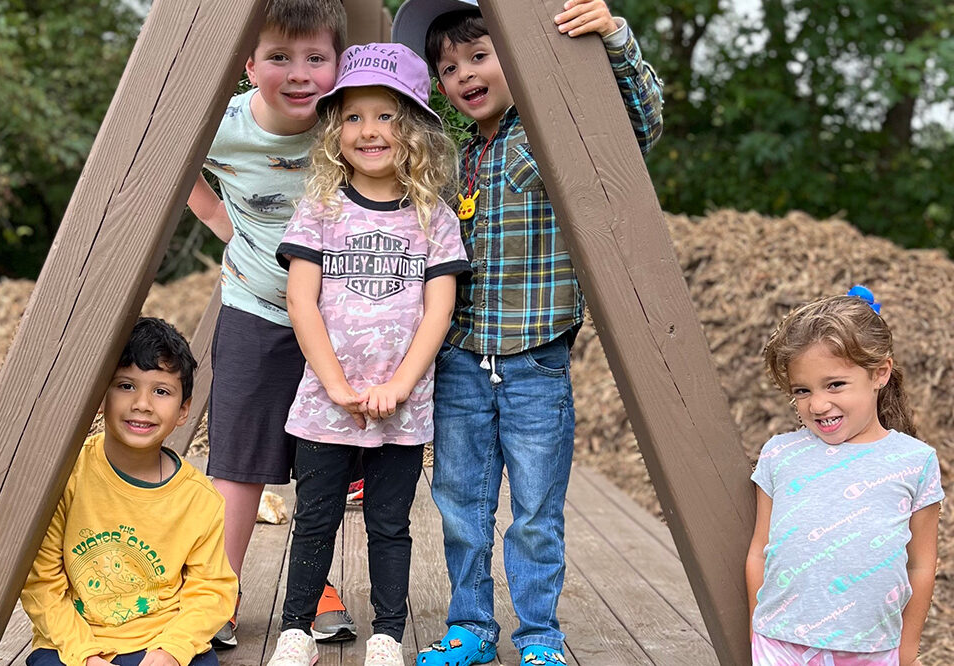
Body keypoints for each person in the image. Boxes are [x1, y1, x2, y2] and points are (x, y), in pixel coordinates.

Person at [390, 1, 664, 664]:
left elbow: (636, 124)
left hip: (535, 358)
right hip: (459, 357)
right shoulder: (453, 157)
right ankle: (471, 627)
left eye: (479, 56)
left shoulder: (546, 134)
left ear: (517, 58)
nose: (464, 74)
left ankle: (539, 636)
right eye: (448, 67)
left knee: (537, 512)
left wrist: (614, 37)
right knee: (461, 504)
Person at [267, 42, 470, 666]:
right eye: (352, 117)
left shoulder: (433, 217)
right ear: (335, 133)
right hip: (327, 402)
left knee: (389, 524)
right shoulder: (321, 210)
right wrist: (332, 384)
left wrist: (401, 385)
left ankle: (386, 632)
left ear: (413, 130)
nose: (369, 130)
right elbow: (302, 302)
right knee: (316, 518)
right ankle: (296, 629)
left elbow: (440, 309)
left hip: (399, 406)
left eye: (386, 115)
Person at [185, 0, 356, 648]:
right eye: (280, 57)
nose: (298, 71)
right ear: (250, 65)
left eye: (315, 57)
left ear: (336, 66)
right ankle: (221, 588)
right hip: (256, 306)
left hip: (335, 317)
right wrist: (218, 221)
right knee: (237, 460)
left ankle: (315, 585)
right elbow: (168, 163)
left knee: (323, 457)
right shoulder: (221, 123)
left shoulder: (346, 124)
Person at [20, 317, 238, 666]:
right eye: (125, 386)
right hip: (73, 642)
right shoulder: (67, 476)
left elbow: (211, 590)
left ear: (184, 410)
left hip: (160, 640)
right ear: (100, 395)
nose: (142, 404)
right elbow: (42, 583)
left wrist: (170, 650)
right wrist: (86, 656)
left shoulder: (199, 500)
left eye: (161, 391)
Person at [746, 288, 944, 666]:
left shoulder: (915, 462)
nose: (818, 405)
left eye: (835, 384)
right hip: (780, 646)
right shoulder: (780, 454)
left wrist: (906, 650)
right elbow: (760, 550)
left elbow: (920, 564)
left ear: (879, 373)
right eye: (802, 390)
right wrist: (758, 632)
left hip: (872, 651)